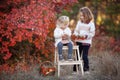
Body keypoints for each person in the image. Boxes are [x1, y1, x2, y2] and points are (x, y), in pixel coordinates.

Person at [72, 7, 95, 73]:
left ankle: (86, 69)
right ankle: (75, 70)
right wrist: (75, 34)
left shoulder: (91, 24)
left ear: (87, 15)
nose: (81, 17)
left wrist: (86, 36)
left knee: (85, 56)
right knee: (77, 55)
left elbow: (92, 33)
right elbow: (76, 30)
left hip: (86, 42)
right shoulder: (79, 22)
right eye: (81, 15)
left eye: (83, 15)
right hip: (79, 41)